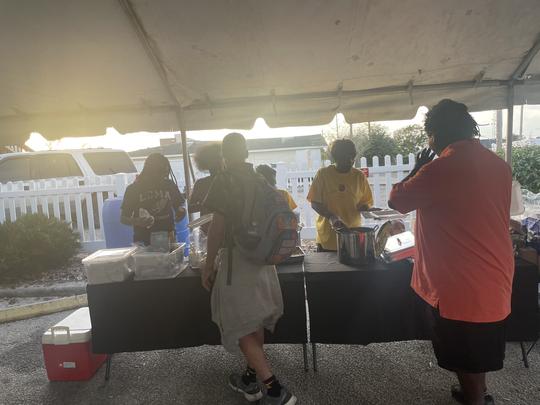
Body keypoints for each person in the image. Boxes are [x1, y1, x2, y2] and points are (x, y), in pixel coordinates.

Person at [388, 99, 514, 405]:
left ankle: (475, 399)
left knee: (463, 351)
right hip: (495, 273)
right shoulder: (498, 165)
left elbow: (397, 200)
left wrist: (417, 167)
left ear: (435, 134)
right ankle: (478, 393)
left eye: (429, 135)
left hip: (460, 282)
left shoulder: (440, 168)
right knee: (477, 348)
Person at [202, 133, 296, 405]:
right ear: (245, 153)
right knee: (253, 320)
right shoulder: (259, 179)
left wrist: (208, 264)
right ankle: (249, 379)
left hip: (238, 262)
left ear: (224, 155)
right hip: (263, 260)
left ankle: (275, 390)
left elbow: (217, 227)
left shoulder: (225, 179)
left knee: (239, 323)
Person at [307, 138, 374, 251]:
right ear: (336, 158)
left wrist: (367, 208)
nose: (350, 161)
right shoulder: (323, 174)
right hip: (328, 237)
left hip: (353, 234)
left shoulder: (359, 176)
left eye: (352, 158)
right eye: (345, 158)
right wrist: (331, 217)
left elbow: (365, 202)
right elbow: (315, 203)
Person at [120, 153, 186, 245]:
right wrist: (137, 221)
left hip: (168, 237)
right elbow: (123, 218)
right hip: (143, 239)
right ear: (149, 170)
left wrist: (181, 210)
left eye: (165, 173)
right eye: (160, 172)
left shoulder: (169, 185)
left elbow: (179, 204)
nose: (163, 176)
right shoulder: (133, 189)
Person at [188, 142, 223, 216]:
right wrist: (206, 205)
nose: (216, 164)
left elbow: (190, 208)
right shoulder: (200, 184)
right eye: (212, 161)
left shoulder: (200, 184)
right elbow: (190, 208)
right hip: (207, 222)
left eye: (218, 160)